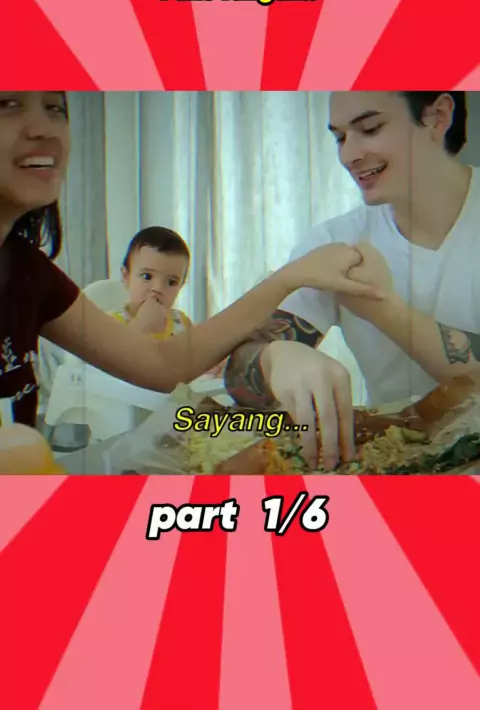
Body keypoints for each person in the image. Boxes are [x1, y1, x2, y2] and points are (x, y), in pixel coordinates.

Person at [0, 91, 383, 471]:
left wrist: (289, 278)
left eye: (55, 108)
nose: (43, 129)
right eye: (7, 104)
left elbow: (164, 363)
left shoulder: (29, 272)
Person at [225, 91, 480, 470]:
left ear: (438, 116)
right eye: (340, 137)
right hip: (399, 468)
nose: (348, 156)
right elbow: (239, 369)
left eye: (370, 128)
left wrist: (383, 307)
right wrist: (274, 360)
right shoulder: (335, 244)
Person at [111, 226, 193, 340]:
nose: (158, 288)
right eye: (147, 276)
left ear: (181, 286)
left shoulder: (181, 323)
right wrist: (141, 325)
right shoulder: (111, 324)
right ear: (126, 277)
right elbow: (116, 351)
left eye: (171, 282)